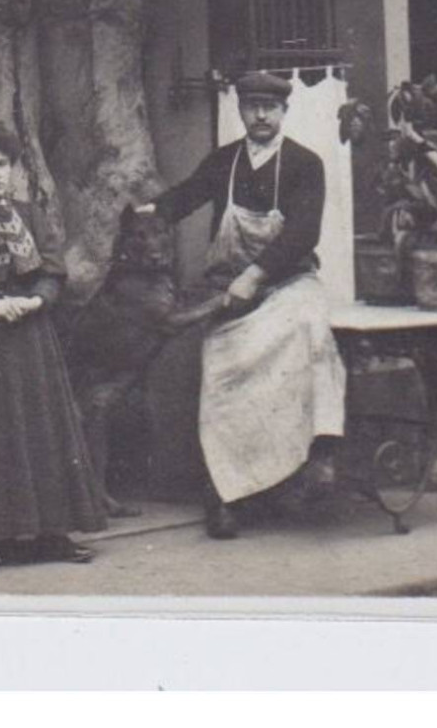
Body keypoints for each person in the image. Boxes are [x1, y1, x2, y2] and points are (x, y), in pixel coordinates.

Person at [137, 70, 347, 540]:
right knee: (223, 374)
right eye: (252, 106)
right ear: (241, 111)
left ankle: (317, 457)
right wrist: (148, 214)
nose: (261, 115)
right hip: (227, 289)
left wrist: (257, 275)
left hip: (289, 283)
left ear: (284, 112)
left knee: (311, 336)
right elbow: (185, 197)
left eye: (270, 108)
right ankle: (226, 493)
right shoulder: (225, 161)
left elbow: (302, 233)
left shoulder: (304, 164)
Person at [0, 117, 107, 566]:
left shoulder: (31, 215)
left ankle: (50, 533)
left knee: (41, 428)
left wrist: (37, 300)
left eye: (3, 164)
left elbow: (53, 268)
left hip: (31, 337)